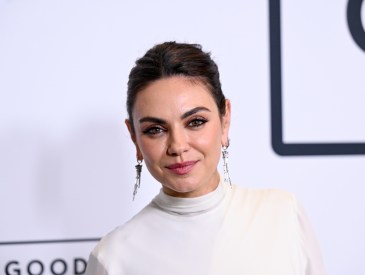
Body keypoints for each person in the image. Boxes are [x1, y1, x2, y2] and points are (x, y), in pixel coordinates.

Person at [85, 42, 326, 275]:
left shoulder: (283, 213)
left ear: (225, 120)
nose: (178, 146)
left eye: (195, 122)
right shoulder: (114, 257)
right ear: (134, 137)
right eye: (155, 129)